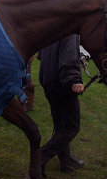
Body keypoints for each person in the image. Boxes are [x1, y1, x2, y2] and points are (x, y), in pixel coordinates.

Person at [38, 34, 86, 176]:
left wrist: (80, 55)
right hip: (62, 85)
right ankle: (40, 158)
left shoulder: (54, 26)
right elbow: (68, 60)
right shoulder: (71, 30)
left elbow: (41, 54)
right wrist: (74, 80)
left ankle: (67, 162)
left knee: (60, 125)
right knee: (71, 127)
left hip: (48, 81)